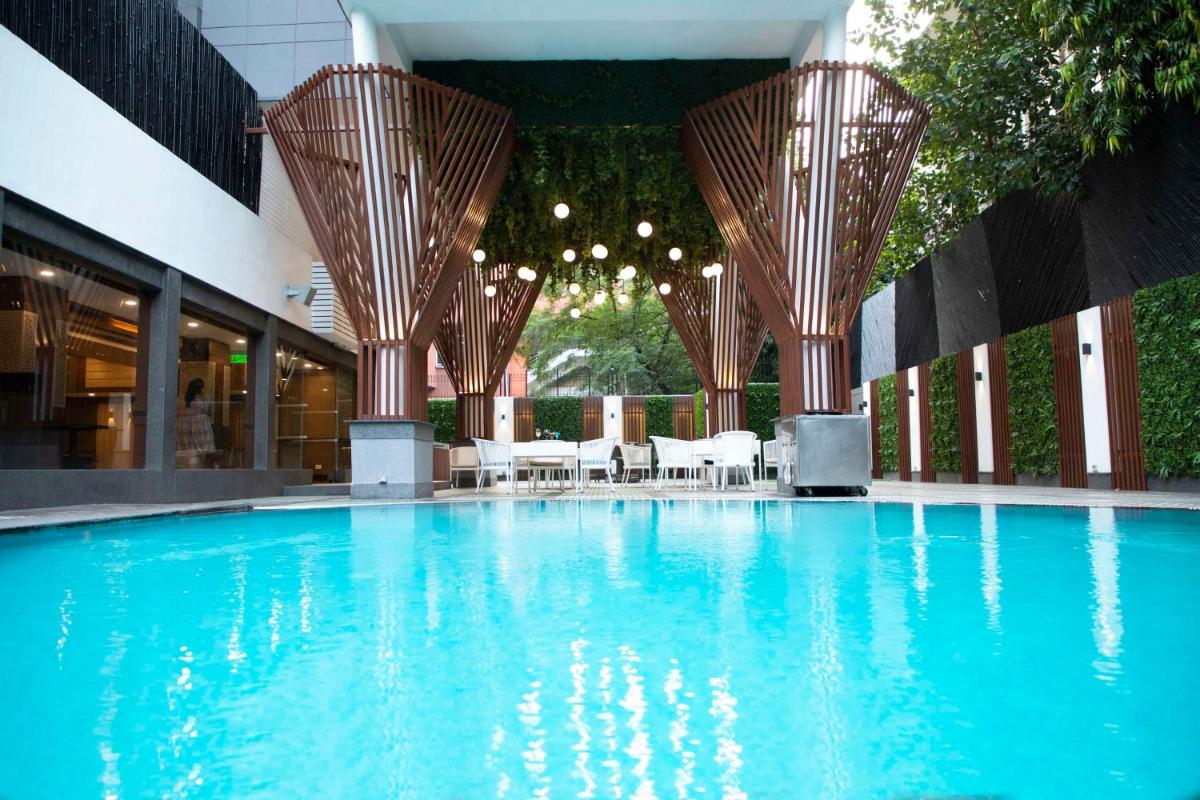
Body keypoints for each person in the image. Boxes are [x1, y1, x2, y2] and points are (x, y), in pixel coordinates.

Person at [177, 377, 216, 466]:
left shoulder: (181, 398)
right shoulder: (205, 398)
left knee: (187, 451)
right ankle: (195, 472)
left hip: (183, 425)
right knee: (199, 452)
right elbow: (209, 412)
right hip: (200, 426)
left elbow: (177, 411)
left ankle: (187, 471)